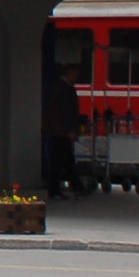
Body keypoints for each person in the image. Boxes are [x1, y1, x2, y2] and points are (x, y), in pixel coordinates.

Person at [44, 66, 82, 196]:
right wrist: (71, 130)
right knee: (61, 161)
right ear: (69, 74)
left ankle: (75, 186)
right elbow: (67, 112)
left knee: (63, 160)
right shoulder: (65, 89)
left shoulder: (58, 88)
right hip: (62, 132)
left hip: (58, 131)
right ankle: (63, 188)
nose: (77, 78)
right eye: (75, 74)